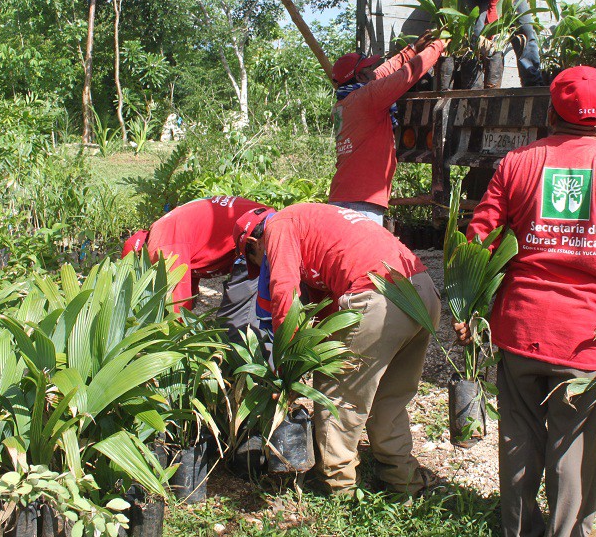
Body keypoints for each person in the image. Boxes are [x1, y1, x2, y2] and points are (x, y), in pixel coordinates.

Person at [457, 66, 596, 537]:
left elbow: (480, 238)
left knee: (518, 447)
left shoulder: (517, 163)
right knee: (571, 454)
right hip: (585, 340)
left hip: (519, 331)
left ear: (551, 111)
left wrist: (470, 307)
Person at [234, 203, 440, 495]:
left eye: (258, 261)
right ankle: (402, 481)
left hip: (381, 296)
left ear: (254, 243)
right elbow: (326, 305)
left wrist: (287, 368)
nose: (263, 266)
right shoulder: (312, 220)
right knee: (388, 400)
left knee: (336, 396)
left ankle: (337, 488)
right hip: (422, 292)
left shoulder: (278, 225)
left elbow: (284, 294)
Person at [328, 32, 445, 225]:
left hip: (342, 195)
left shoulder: (344, 103)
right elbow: (406, 75)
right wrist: (438, 46)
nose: (373, 70)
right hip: (362, 202)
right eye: (368, 68)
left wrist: (413, 49)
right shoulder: (368, 97)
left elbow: (383, 73)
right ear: (360, 76)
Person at [122, 196, 269, 338]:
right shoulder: (170, 232)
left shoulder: (162, 243)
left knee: (233, 326)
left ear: (142, 257)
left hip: (256, 237)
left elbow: (176, 305)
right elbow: (187, 295)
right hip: (258, 228)